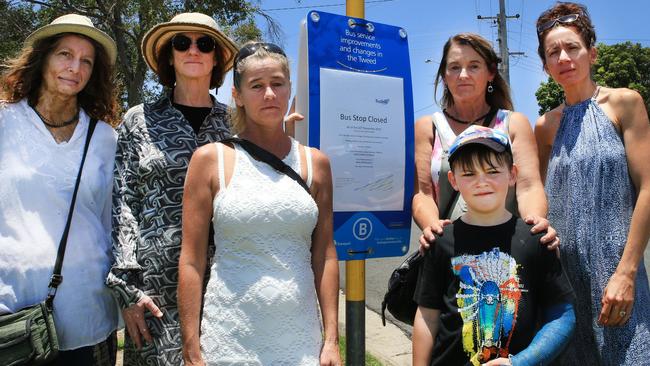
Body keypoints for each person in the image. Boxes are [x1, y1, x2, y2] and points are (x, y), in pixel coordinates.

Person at [178, 42, 341, 365]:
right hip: (229, 337)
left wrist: (332, 340)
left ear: (289, 88)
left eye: (277, 83)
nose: (269, 94)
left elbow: (324, 254)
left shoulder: (315, 164)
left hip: (299, 339)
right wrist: (191, 345)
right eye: (256, 86)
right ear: (236, 96)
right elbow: (192, 260)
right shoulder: (211, 161)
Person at [105, 12, 238, 365]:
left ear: (216, 58)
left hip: (226, 282)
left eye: (204, 43)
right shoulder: (138, 120)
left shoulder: (236, 123)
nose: (193, 50)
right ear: (169, 55)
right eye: (182, 42)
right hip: (154, 288)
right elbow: (123, 203)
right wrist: (128, 290)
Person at [0, 14, 119, 365]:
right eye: (65, 54)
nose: (74, 67)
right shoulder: (5, 124)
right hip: (13, 317)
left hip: (89, 315)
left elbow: (111, 225)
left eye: (86, 61)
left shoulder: (104, 139)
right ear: (43, 58)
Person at [535, 3, 650, 365]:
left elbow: (648, 187)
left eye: (572, 47)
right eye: (553, 52)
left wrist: (627, 273)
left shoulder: (625, 103)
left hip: (618, 280)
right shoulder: (544, 127)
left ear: (592, 53)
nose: (564, 57)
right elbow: (535, 199)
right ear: (545, 65)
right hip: (562, 283)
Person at [412, 125, 575, 366]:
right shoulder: (441, 240)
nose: (481, 182)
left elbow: (563, 315)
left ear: (512, 174)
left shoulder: (535, 239)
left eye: (492, 171)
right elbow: (427, 316)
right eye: (468, 174)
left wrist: (520, 362)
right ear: (453, 180)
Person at [413, 33, 558, 252]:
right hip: (449, 249)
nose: (463, 75)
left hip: (508, 250)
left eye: (474, 66)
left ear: (490, 73)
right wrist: (433, 228)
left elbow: (529, 187)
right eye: (454, 67)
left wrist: (533, 226)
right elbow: (423, 194)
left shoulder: (514, 123)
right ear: (444, 75)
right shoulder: (428, 127)